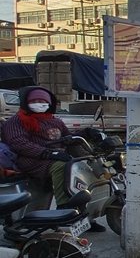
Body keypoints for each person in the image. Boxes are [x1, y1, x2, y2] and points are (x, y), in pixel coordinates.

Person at [0, 87, 100, 226]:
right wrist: (48, 153)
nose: (39, 104)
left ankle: (83, 215)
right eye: (34, 101)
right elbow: (19, 143)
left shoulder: (54, 121)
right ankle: (64, 208)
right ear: (25, 103)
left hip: (52, 157)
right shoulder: (16, 121)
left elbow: (68, 137)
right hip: (30, 159)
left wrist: (87, 133)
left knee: (79, 168)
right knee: (63, 168)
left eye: (42, 101)